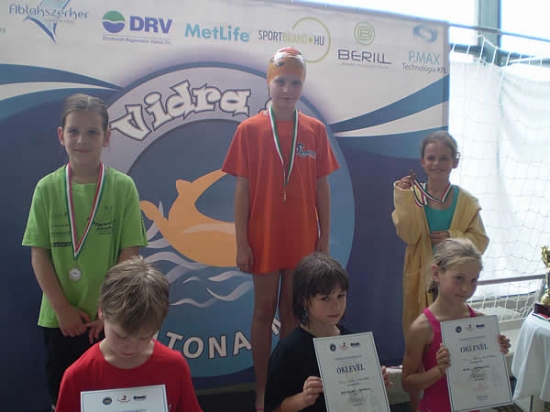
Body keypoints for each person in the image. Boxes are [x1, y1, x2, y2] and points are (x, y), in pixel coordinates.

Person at [222, 47, 340, 410]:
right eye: (281, 81)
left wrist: (323, 239)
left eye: (295, 83)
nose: (287, 89)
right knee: (263, 312)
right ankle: (262, 389)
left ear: (302, 85)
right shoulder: (249, 129)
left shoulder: (314, 130)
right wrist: (242, 242)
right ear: (268, 83)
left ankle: (285, 391)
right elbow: (242, 192)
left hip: (303, 238)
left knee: (292, 315)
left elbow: (322, 189)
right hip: (265, 237)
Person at [22, 94, 147, 409]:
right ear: (60, 135)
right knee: (64, 396)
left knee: (111, 396)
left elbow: (129, 252)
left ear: (107, 137)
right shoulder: (46, 188)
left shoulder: (123, 187)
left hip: (110, 319)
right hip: (59, 318)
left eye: (92, 132)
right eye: (74, 131)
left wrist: (110, 310)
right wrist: (62, 308)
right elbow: (39, 254)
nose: (82, 140)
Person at [55, 257, 202, 412]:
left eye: (144, 337)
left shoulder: (174, 367)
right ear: (102, 313)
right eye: (121, 336)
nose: (131, 347)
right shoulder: (78, 375)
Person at [264, 252, 391, 412]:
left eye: (340, 296)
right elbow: (273, 408)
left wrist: (374, 384)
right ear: (304, 299)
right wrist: (303, 399)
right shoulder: (289, 350)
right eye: (325, 298)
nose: (336, 306)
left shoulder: (355, 343)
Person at [392, 130, 489, 335]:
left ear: (455, 162)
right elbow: (409, 235)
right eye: (431, 158)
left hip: (455, 280)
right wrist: (403, 198)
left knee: (454, 334)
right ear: (422, 162)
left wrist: (453, 237)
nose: (437, 163)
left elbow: (480, 241)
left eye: (444, 158)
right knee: (421, 333)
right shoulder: (412, 195)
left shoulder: (466, 202)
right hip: (421, 276)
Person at [401, 238, 511, 412]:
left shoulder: (480, 321)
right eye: (459, 278)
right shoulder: (422, 328)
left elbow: (485, 374)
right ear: (436, 274)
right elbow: (407, 384)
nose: (467, 288)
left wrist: (495, 353)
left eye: (474, 280)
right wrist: (439, 370)